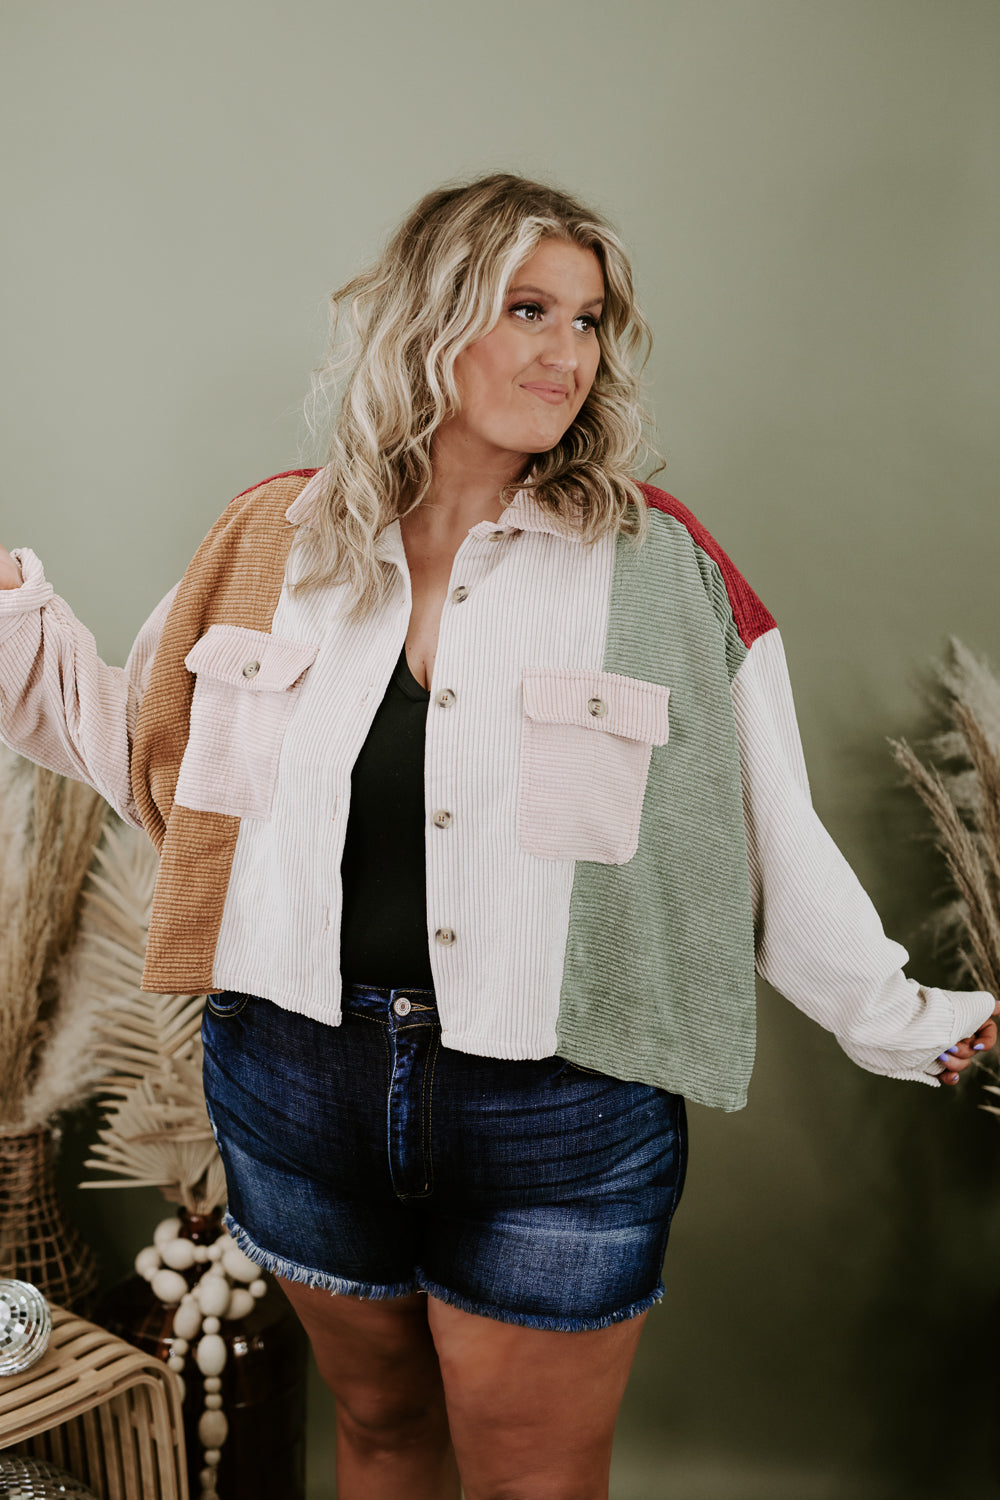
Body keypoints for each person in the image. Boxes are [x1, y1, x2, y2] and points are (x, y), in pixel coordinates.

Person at [0, 172, 996, 1500]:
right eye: (528, 309)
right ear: (429, 317)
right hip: (294, 1079)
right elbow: (147, 760)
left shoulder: (659, 563)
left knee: (535, 1478)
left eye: (588, 320)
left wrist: (911, 1020)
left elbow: (762, 839)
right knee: (378, 1432)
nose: (566, 353)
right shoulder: (271, 538)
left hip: (558, 1105)